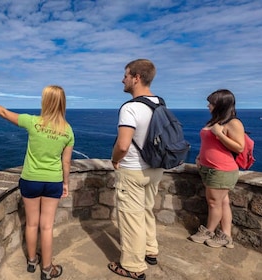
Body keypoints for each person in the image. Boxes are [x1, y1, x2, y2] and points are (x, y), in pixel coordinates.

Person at [0, 85, 74, 280]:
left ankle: (31, 262)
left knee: (31, 224)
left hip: (30, 180)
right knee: (46, 227)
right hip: (53, 181)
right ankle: (46, 269)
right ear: (62, 103)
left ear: (45, 102)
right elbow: (66, 162)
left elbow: (3, 112)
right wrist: (66, 183)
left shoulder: (32, 122)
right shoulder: (67, 130)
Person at [108, 59, 164, 280]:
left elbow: (123, 145)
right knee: (146, 211)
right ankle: (151, 250)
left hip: (132, 170)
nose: (123, 79)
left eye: (126, 75)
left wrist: (114, 160)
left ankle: (133, 266)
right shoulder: (160, 103)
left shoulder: (130, 108)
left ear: (136, 78)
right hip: (156, 168)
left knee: (132, 219)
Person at [189, 89, 244, 248]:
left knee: (214, 203)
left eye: (211, 103)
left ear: (221, 104)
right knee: (223, 202)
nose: (208, 105)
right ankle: (226, 236)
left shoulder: (233, 123)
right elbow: (208, 143)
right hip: (209, 168)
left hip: (221, 169)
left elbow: (240, 147)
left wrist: (220, 134)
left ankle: (209, 231)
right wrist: (200, 157)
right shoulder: (215, 122)